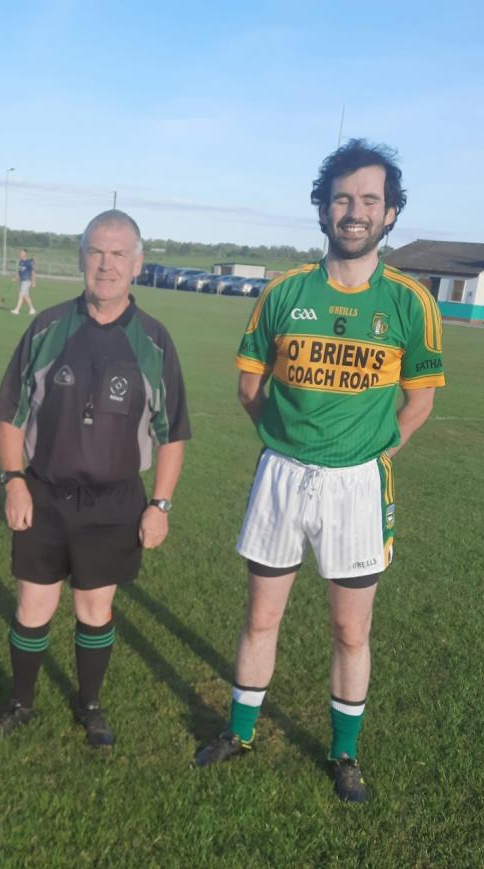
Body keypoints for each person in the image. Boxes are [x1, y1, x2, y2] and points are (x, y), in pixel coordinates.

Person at [195, 139, 445, 801]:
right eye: (342, 198)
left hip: (358, 484)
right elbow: (249, 386)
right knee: (260, 617)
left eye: (369, 199)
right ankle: (240, 732)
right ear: (323, 207)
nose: (354, 211)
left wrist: (376, 455)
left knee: (349, 627)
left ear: (390, 214)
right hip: (281, 474)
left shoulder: (409, 303)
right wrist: (283, 439)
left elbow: (419, 401)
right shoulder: (285, 292)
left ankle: (344, 753)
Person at [0, 210, 190, 745]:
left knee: (95, 608)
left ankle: (91, 704)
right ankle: (20, 701)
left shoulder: (155, 340)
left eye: (119, 254)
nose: (106, 265)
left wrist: (160, 505)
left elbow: (172, 434)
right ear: (81, 259)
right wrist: (13, 482)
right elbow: (12, 415)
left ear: (138, 264)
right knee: (34, 604)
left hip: (115, 502)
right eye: (97, 252)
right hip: (46, 495)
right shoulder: (48, 327)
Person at [11, 249, 37, 315]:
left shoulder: (28, 262)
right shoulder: (20, 262)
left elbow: (33, 273)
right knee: (26, 296)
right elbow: (20, 272)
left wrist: (34, 282)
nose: (20, 254)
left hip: (27, 281)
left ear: (25, 254)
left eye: (21, 253)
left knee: (21, 294)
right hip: (22, 281)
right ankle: (32, 309)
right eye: (20, 253)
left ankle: (17, 310)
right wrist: (16, 278)